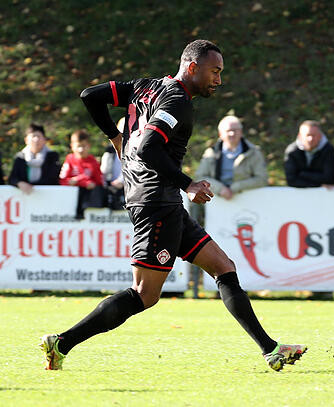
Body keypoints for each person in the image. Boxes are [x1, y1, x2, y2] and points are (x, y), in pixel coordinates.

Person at [40, 39, 305, 372]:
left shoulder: (143, 87)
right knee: (144, 295)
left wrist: (115, 136)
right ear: (192, 67)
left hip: (160, 200)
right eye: (215, 72)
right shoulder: (178, 100)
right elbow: (150, 149)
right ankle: (61, 343)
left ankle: (271, 349)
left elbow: (90, 96)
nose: (219, 81)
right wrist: (189, 184)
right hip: (157, 203)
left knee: (224, 268)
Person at [196, 115, 268, 199]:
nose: (232, 133)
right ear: (220, 134)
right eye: (228, 131)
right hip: (216, 200)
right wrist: (220, 189)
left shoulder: (254, 152)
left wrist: (236, 187)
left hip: (248, 198)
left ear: (241, 132)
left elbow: (262, 179)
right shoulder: (211, 153)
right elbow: (199, 177)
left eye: (235, 130)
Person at [59, 129, 106, 219]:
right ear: (72, 146)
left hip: (88, 204)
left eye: (84, 146)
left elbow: (99, 182)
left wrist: (92, 184)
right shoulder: (69, 160)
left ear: (89, 146)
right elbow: (63, 180)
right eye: (78, 146)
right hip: (68, 205)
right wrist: (80, 181)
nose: (81, 149)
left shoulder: (93, 162)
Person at [8, 123, 60, 193]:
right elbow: (12, 178)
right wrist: (19, 183)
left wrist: (32, 186)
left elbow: (53, 178)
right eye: (33, 136)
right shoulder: (20, 157)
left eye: (39, 136)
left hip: (48, 196)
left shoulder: (53, 156)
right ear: (26, 140)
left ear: (45, 140)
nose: (36, 139)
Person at [284, 120, 334, 188]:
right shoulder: (292, 151)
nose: (310, 139)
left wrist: (302, 174)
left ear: (320, 136)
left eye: (313, 135)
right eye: (308, 135)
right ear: (300, 136)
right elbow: (291, 180)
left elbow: (328, 178)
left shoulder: (328, 149)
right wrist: (318, 185)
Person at [101, 118, 125, 210]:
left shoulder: (135, 149)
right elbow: (104, 169)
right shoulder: (109, 150)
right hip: (110, 187)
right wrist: (106, 183)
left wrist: (121, 181)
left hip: (126, 187)